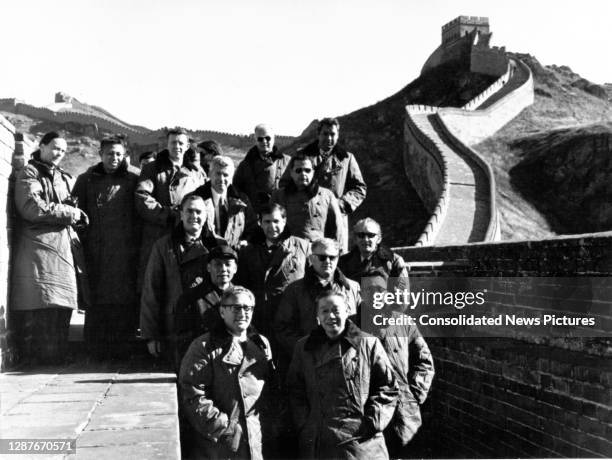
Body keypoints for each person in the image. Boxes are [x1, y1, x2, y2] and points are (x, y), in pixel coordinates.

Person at [287, 290, 398, 460]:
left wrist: (369, 423)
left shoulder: (368, 343)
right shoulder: (304, 347)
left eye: (336, 310)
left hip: (361, 444)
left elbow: (388, 388)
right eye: (324, 311)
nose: (331, 316)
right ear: (317, 315)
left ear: (347, 311)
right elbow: (295, 390)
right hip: (319, 443)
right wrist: (306, 425)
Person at [11, 131, 90, 364]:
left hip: (62, 250)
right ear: (42, 146)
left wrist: (76, 213)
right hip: (40, 249)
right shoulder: (30, 172)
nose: (59, 154)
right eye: (55, 148)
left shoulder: (62, 176)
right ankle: (42, 360)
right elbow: (31, 207)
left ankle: (56, 358)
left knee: (61, 307)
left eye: (63, 151)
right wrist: (69, 212)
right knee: (43, 307)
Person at [179, 286, 275, 460]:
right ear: (222, 311)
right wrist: (225, 428)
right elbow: (192, 393)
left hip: (255, 438)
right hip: (220, 443)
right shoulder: (204, 346)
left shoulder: (261, 344)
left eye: (248, 308)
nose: (243, 313)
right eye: (236, 307)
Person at [73, 134, 141, 357]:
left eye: (118, 154)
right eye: (110, 153)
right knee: (97, 302)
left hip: (125, 253)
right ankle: (95, 354)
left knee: (124, 302)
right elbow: (76, 211)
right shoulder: (86, 180)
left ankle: (123, 353)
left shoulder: (134, 179)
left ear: (125, 156)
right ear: (100, 154)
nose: (114, 158)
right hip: (96, 253)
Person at [140, 193, 217, 369]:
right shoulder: (163, 246)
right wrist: (151, 335)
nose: (194, 216)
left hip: (208, 325)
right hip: (175, 328)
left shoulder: (218, 246)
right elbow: (151, 291)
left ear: (206, 216)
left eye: (199, 212)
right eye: (189, 211)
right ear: (181, 214)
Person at [361, 274, 434, 458]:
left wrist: (414, 394)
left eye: (381, 291)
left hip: (404, 411)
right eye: (370, 290)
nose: (375, 295)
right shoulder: (353, 325)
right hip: (370, 410)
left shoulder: (404, 322)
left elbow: (424, 361)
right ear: (362, 293)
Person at [135, 127, 207, 289]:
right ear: (167, 144)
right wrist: (168, 214)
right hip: (159, 233)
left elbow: (204, 202)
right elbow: (142, 197)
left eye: (181, 143)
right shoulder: (152, 169)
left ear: (187, 146)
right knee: (157, 284)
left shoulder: (196, 172)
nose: (177, 146)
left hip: (188, 236)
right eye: (173, 142)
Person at [282, 117, 367, 252]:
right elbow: (285, 183)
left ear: (338, 136)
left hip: (337, 218)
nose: (329, 138)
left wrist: (342, 204)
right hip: (308, 219)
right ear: (318, 135)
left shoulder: (346, 158)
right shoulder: (302, 156)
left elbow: (359, 188)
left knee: (334, 256)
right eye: (325, 134)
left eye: (332, 134)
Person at [274, 238, 360, 364]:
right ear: (311, 258)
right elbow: (283, 328)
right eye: (322, 257)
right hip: (311, 361)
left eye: (332, 257)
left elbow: (360, 325)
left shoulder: (352, 287)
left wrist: (354, 348)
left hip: (346, 360)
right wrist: (305, 351)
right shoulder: (295, 290)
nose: (328, 261)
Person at [236, 203, 310, 345]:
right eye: (267, 222)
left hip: (291, 317)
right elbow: (242, 285)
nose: (272, 226)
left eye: (276, 221)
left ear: (284, 221)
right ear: (260, 223)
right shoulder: (248, 252)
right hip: (261, 318)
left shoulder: (303, 247)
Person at [173, 245, 239, 368]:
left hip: (232, 366)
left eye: (228, 264)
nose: (223, 269)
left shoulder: (242, 298)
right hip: (202, 364)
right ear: (209, 267)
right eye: (218, 264)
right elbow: (183, 340)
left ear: (235, 268)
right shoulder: (190, 298)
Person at [271, 154, 342, 243]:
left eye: (307, 170)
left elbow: (337, 227)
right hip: (289, 249)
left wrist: (338, 251)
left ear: (313, 172)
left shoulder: (327, 195)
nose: (303, 174)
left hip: (318, 250)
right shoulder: (279, 195)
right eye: (298, 170)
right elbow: (271, 225)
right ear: (291, 173)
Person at [193, 155, 256, 250]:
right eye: (218, 174)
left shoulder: (242, 199)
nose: (222, 179)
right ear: (210, 174)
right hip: (205, 253)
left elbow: (252, 226)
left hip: (233, 254)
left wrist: (246, 241)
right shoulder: (198, 197)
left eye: (226, 175)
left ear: (232, 176)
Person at [339, 217, 409, 290]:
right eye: (361, 235)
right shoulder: (343, 262)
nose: (366, 239)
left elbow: (403, 295)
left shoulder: (394, 261)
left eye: (371, 235)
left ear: (379, 239)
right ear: (355, 239)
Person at [233, 124, 290, 212]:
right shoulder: (245, 165)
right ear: (255, 140)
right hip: (254, 215)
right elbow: (236, 186)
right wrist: (246, 202)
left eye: (268, 138)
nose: (264, 141)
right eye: (260, 139)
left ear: (273, 139)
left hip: (280, 214)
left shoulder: (287, 161)